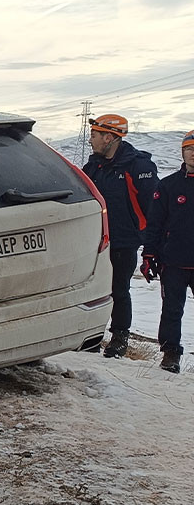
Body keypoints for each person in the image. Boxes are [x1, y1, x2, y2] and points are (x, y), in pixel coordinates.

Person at [81, 114, 158, 358]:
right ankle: (90, 336)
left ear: (109, 137)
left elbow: (152, 209)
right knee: (90, 290)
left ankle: (119, 338)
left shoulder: (138, 166)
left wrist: (152, 245)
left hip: (124, 241)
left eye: (94, 135)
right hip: (93, 241)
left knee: (118, 290)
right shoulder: (94, 166)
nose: (90, 140)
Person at [140, 129, 194, 373]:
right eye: (189, 149)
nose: (193, 154)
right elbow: (155, 224)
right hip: (173, 261)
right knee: (172, 309)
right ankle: (170, 353)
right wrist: (148, 255)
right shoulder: (169, 185)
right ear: (183, 152)